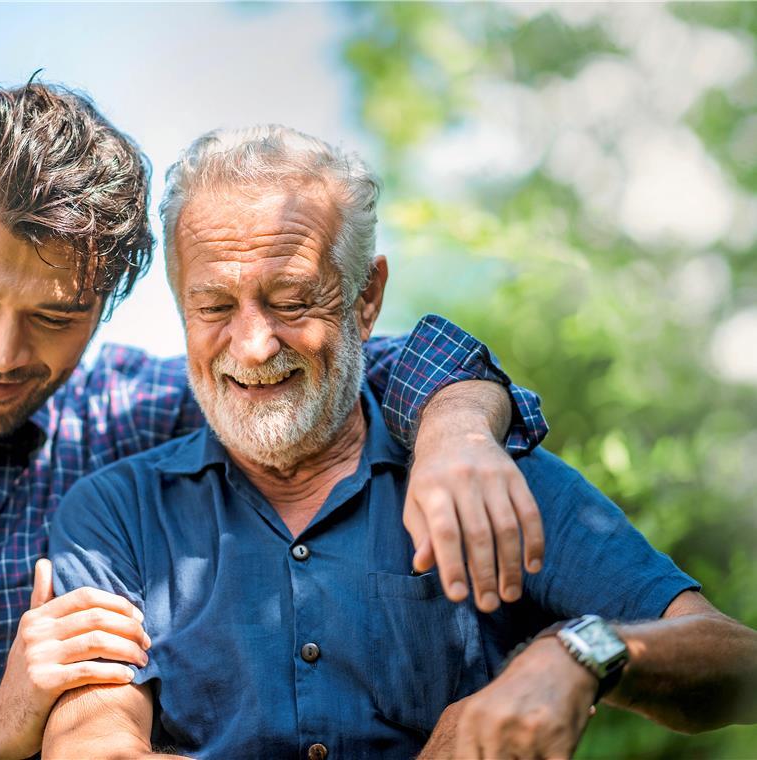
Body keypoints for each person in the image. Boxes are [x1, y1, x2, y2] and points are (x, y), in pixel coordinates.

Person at [0, 83, 547, 760]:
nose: (2, 353)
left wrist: (459, 426)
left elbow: (331, 367)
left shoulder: (134, 413)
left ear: (108, 305)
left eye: (52, 319)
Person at [43, 125, 757, 759]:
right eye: (214, 307)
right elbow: (91, 744)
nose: (255, 346)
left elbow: (736, 664)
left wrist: (578, 652)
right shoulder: (116, 514)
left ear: (366, 297)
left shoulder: (481, 474)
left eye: (292, 300)